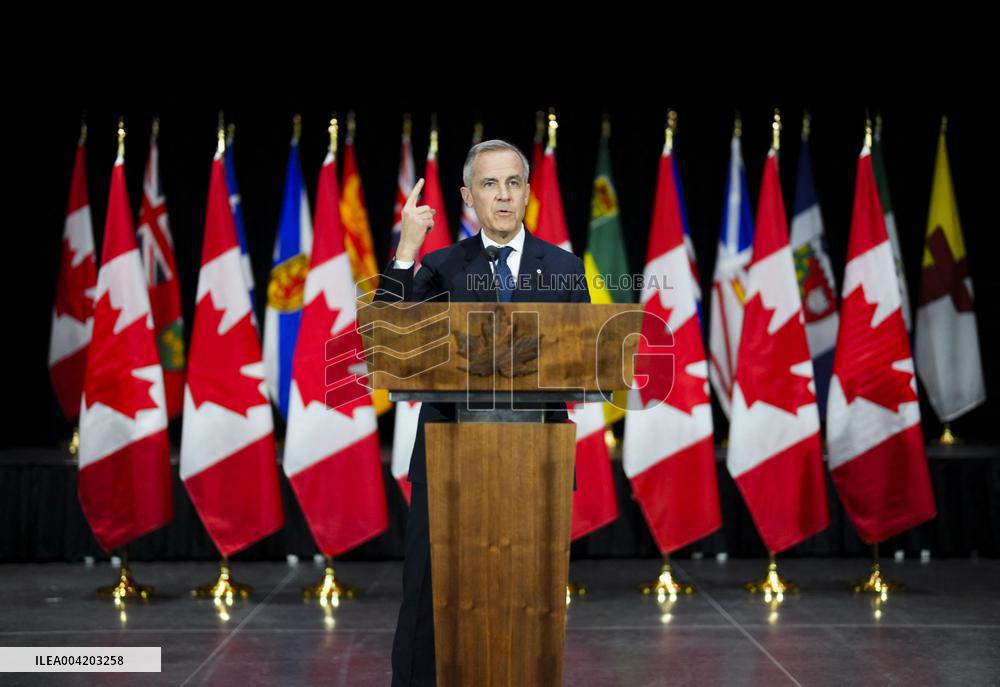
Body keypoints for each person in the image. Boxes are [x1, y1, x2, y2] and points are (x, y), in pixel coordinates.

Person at [377, 139, 589, 686]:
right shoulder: (442, 266)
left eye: (513, 182)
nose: (502, 195)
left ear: (527, 193)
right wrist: (407, 251)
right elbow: (388, 343)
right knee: (429, 600)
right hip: (450, 460)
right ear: (468, 196)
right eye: (489, 184)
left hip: (535, 461)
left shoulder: (563, 267)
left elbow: (587, 358)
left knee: (530, 599)